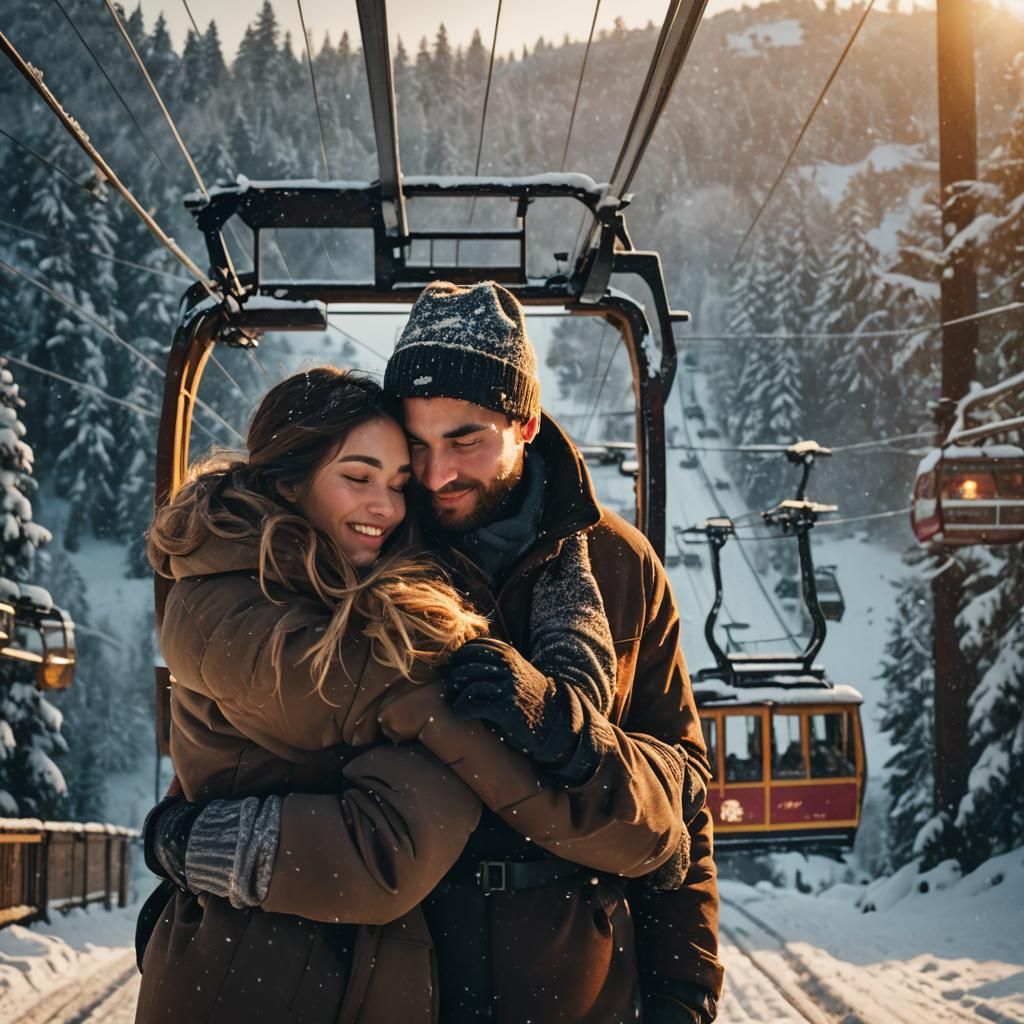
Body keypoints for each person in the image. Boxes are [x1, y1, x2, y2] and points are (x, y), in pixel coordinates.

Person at [146, 281, 724, 1022]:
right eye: (415, 446)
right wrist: (191, 856)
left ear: (523, 423)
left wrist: (684, 990)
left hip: (574, 979)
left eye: (465, 440)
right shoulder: (373, 553)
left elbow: (685, 792)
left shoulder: (618, 568)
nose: (436, 475)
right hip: (406, 972)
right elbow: (270, 720)